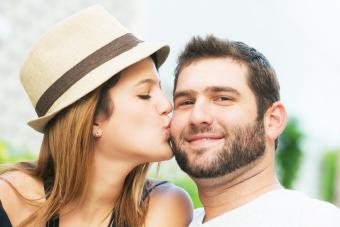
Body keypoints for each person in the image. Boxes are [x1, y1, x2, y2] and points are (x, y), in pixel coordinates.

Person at [0, 5, 192, 227]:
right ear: (93, 120)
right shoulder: (11, 199)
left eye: (160, 89)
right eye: (144, 95)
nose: (167, 105)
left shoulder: (164, 205)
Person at [170, 35, 340, 227]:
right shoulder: (171, 221)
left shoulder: (316, 220)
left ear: (273, 121)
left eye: (222, 98)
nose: (197, 116)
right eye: (186, 102)